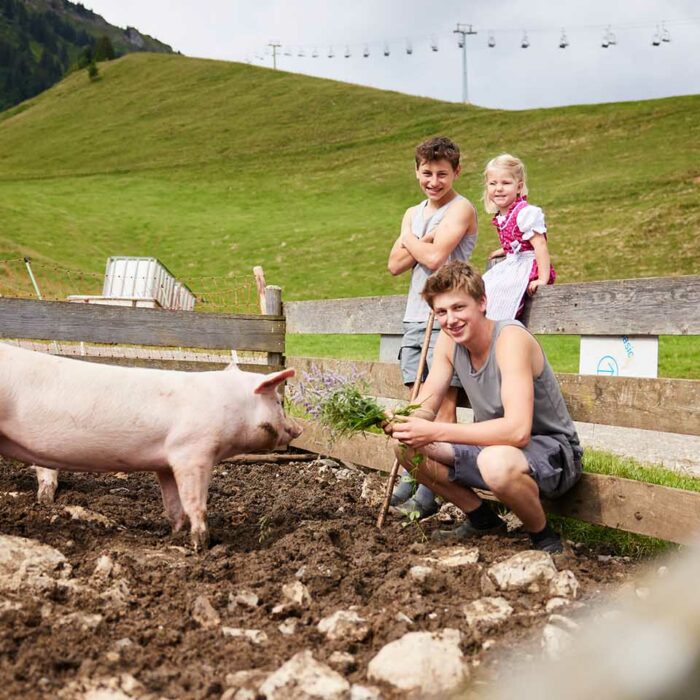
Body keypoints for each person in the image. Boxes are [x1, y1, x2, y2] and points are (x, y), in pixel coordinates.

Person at [384, 261, 582, 553]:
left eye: (458, 307)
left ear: (482, 302)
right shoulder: (449, 344)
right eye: (441, 312)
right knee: (406, 448)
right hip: (494, 447)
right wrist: (401, 421)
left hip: (552, 453)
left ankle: (545, 539)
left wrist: (434, 429)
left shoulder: (510, 339)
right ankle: (482, 520)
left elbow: (517, 432)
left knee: (495, 464)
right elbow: (426, 406)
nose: (450, 319)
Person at [386, 136, 478, 519]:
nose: (434, 181)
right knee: (415, 404)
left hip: (449, 317)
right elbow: (394, 265)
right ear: (417, 171)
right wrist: (416, 240)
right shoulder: (414, 211)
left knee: (443, 407)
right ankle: (417, 472)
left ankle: (437, 486)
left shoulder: (461, 209)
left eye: (442, 174)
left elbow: (437, 257)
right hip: (414, 315)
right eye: (427, 173)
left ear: (456, 172)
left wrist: (411, 237)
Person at [481, 154, 555, 320]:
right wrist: (505, 249)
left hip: (526, 264)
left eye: (505, 183)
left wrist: (543, 279)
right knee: (482, 286)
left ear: (519, 187)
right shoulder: (502, 215)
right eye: (493, 183)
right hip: (515, 260)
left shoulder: (525, 213)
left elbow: (540, 245)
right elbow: (519, 240)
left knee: (504, 292)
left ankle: (502, 326)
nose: (498, 188)